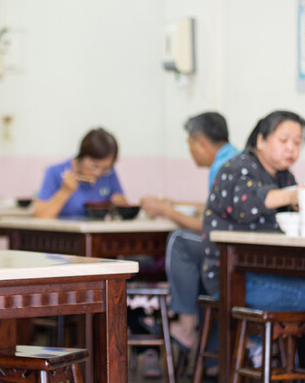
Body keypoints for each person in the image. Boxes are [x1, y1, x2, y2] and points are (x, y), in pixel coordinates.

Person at [140, 112, 238, 353]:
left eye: (190, 144)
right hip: (236, 248)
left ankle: (185, 325)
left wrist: (166, 211)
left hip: (228, 252)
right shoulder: (234, 157)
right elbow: (216, 210)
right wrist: (175, 203)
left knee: (179, 241)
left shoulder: (223, 167)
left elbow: (210, 226)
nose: (191, 150)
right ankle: (211, 355)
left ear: (201, 143)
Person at [202, 110, 305, 312]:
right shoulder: (236, 168)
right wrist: (293, 195)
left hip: (274, 269)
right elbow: (246, 204)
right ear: (261, 140)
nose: (291, 148)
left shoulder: (285, 176)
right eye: (284, 140)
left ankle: (269, 344)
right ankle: (261, 343)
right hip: (233, 275)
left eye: (297, 142)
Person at [33, 128, 129, 218]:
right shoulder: (55, 172)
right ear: (82, 156)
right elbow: (41, 216)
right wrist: (65, 191)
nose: (98, 173)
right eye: (94, 166)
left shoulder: (109, 174)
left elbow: (122, 203)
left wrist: (121, 206)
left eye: (105, 169)